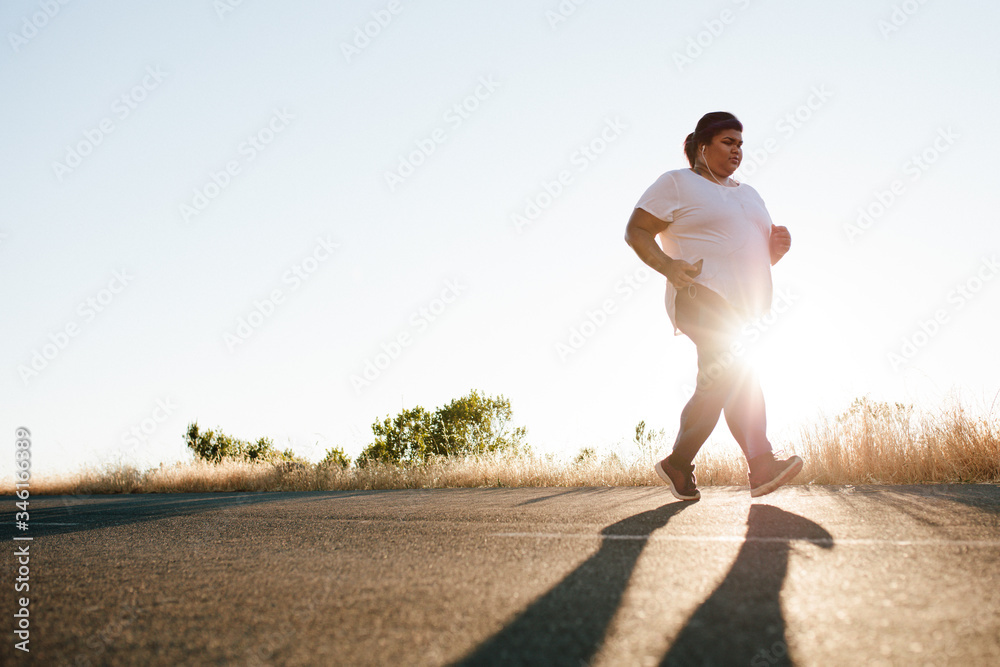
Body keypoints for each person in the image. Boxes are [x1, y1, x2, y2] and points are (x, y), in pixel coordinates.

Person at [624, 111, 803, 500]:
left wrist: (775, 251)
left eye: (740, 144)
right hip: (698, 294)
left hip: (742, 308)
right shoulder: (677, 183)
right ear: (702, 146)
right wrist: (667, 266)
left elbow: (744, 257)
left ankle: (679, 463)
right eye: (727, 142)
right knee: (734, 372)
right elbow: (635, 230)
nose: (737, 150)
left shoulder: (749, 194)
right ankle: (761, 466)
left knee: (727, 378)